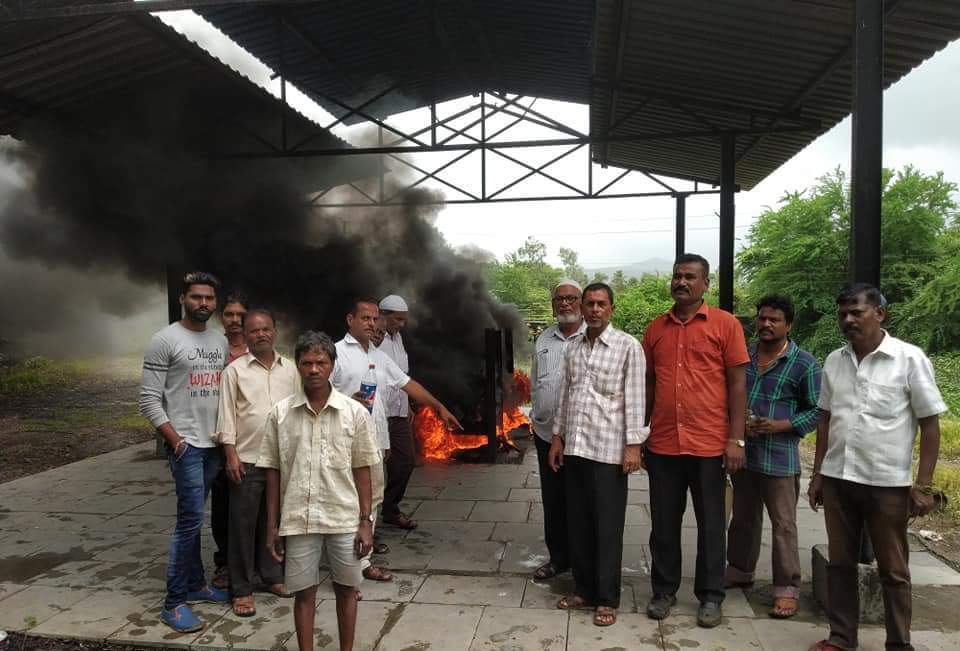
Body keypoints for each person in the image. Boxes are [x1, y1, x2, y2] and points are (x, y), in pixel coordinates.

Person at [807, 283, 946, 651]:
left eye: (857, 312)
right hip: (838, 480)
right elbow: (825, 419)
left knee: (894, 570)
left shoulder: (909, 358)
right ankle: (841, 637)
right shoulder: (835, 360)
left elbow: (930, 424)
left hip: (887, 484)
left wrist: (924, 485)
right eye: (843, 314)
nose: (848, 319)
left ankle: (899, 643)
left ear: (880, 314)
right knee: (840, 565)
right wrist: (818, 475)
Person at [641, 253, 749, 628]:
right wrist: (641, 433)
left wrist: (736, 440)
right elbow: (650, 385)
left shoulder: (726, 325)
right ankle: (664, 590)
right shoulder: (656, 329)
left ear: (706, 283)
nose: (681, 282)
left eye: (690, 277)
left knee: (711, 525)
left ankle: (710, 596)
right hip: (664, 446)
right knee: (664, 524)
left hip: (709, 445)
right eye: (676, 276)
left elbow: (738, 385)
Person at [258, 331, 380, 651]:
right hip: (300, 517)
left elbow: (363, 468)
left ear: (332, 366)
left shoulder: (354, 413)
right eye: (307, 362)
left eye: (321, 362)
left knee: (347, 590)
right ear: (298, 366)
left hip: (344, 516)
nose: (314, 369)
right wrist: (273, 525)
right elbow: (272, 471)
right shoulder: (281, 414)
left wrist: (366, 521)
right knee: (304, 593)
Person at [332, 298, 461, 582]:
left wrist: (438, 406)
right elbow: (315, 390)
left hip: (374, 439)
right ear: (349, 319)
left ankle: (362, 553)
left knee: (372, 498)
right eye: (364, 318)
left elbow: (407, 383)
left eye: (374, 319)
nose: (371, 323)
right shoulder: (336, 353)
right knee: (348, 499)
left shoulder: (378, 356)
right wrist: (342, 399)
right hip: (343, 441)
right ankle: (352, 561)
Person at [548, 282, 648, 627]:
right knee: (578, 523)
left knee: (606, 527)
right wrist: (558, 439)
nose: (593, 309)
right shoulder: (573, 347)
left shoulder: (627, 347)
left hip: (608, 452)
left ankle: (607, 598)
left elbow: (635, 400)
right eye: (589, 303)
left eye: (600, 304)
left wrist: (633, 445)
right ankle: (583, 589)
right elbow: (566, 395)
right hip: (575, 448)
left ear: (611, 309)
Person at [139, 271, 230, 633]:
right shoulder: (164, 340)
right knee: (189, 522)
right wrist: (175, 441)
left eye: (209, 298)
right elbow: (148, 399)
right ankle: (173, 603)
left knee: (198, 519)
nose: (203, 303)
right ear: (183, 299)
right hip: (188, 447)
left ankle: (196, 585)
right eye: (196, 297)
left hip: (214, 446)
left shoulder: (219, 341)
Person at [725, 294, 821, 619]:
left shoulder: (804, 363)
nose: (765, 324)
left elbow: (818, 411)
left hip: (780, 458)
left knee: (784, 525)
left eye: (774, 319)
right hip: (745, 453)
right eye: (762, 318)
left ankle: (787, 589)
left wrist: (782, 425)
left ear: (788, 324)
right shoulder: (744, 356)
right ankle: (739, 570)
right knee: (743, 517)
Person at [216, 308, 298, 617]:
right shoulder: (234, 371)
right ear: (245, 335)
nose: (260, 334)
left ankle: (272, 576)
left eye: (266, 329)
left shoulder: (290, 370)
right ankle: (242, 589)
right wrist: (230, 454)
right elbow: (226, 415)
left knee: (274, 522)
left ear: (275, 331)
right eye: (254, 330)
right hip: (247, 460)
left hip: (281, 461)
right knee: (242, 526)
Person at [529, 280, 586, 580]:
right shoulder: (543, 339)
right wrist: (534, 416)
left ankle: (583, 562)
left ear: (581, 301)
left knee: (580, 500)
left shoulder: (591, 336)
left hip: (580, 438)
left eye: (571, 298)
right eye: (559, 299)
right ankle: (558, 559)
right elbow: (537, 380)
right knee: (553, 499)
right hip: (544, 433)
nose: (564, 304)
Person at [211, 291, 249, 591]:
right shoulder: (212, 349)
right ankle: (224, 563)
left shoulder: (257, 351)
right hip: (216, 438)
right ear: (220, 317)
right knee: (223, 502)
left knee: (255, 503)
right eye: (229, 315)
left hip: (250, 437)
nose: (235, 321)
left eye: (240, 315)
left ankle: (256, 561)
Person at [377, 294, 418, 530]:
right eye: (397, 320)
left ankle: (390, 509)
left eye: (403, 320)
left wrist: (408, 404)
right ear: (383, 315)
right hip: (379, 414)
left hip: (400, 413)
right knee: (373, 468)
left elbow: (402, 375)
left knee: (405, 462)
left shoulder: (398, 338)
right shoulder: (374, 340)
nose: (400, 325)